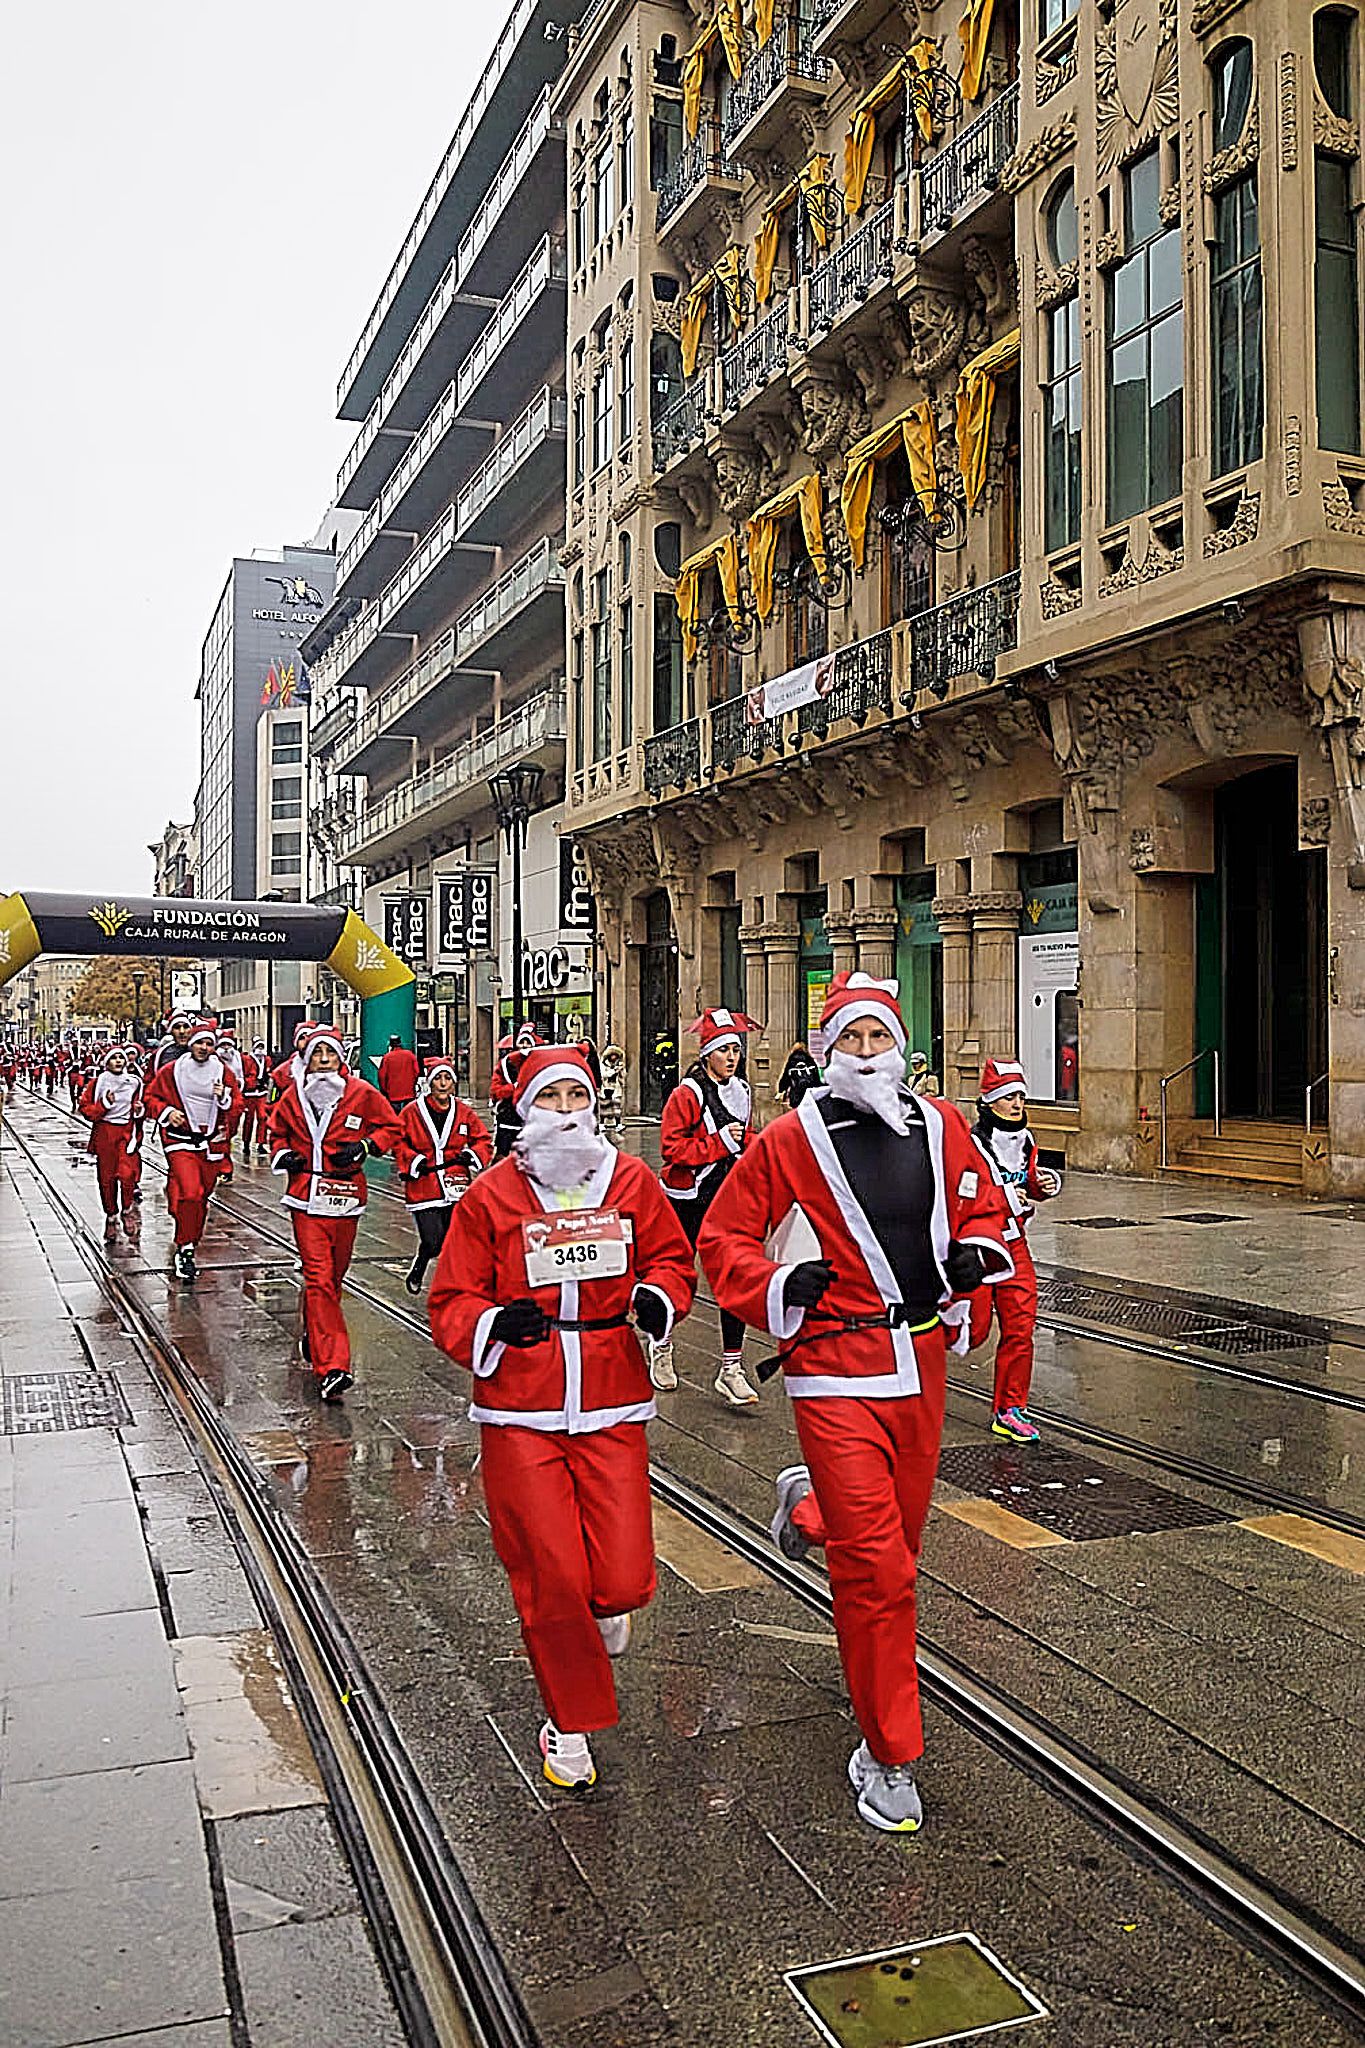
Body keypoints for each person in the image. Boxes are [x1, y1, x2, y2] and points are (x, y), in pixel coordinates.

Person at [698, 972, 1014, 1834]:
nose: (867, 1055)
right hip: (832, 1362)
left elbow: (981, 1206)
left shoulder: (943, 1124)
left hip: (918, 1361)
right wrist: (776, 1284)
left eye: (879, 1038)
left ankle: (810, 1507)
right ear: (828, 1050)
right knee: (881, 1574)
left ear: (901, 1045)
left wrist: (976, 1259)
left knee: (894, 1546)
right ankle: (887, 1753)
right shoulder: (791, 1138)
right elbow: (721, 1236)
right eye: (851, 1041)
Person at [428, 1044, 695, 1791]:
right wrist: (491, 1324)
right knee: (549, 1571)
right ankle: (568, 1723)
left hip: (611, 1391)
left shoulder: (630, 1181)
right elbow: (450, 1299)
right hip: (520, 1405)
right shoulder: (491, 1196)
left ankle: (604, 1610)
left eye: (578, 1097)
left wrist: (656, 1300)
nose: (567, 1113)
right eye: (552, 1100)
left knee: (622, 1574)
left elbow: (673, 1262)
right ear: (525, 1110)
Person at [268, 1025, 402, 1402]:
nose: (323, 1062)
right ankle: (335, 1366)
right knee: (319, 1278)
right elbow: (274, 1131)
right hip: (305, 1198)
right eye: (316, 1056)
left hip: (345, 1197)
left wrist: (365, 1146)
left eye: (329, 1055)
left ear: (340, 1060)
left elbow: (392, 1126)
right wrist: (284, 1155)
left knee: (334, 1279)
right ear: (306, 1061)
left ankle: (317, 1329)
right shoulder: (293, 1097)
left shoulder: (361, 1093)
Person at [657, 1007, 761, 1406]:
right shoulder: (687, 1094)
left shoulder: (744, 1091)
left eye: (737, 1049)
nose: (733, 1057)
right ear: (707, 1055)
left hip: (726, 1196)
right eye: (725, 1050)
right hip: (686, 1199)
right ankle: (662, 1346)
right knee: (677, 1276)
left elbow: (745, 1139)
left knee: (732, 1280)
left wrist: (749, 1146)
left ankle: (731, 1368)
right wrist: (719, 1142)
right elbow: (671, 1150)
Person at [967, 1057, 1062, 1443]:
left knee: (1021, 1328)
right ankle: (907, 1375)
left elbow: (1027, 1183)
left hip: (1015, 1246)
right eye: (1008, 1097)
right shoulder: (969, 1145)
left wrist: (1043, 1185)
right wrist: (1004, 1195)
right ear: (989, 1102)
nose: (1017, 1104)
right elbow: (961, 1194)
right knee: (972, 1332)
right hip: (976, 1249)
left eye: (1021, 1096)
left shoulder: (1026, 1140)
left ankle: (1009, 1409)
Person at [143, 1022, 243, 1282]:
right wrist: (166, 1112)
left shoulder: (222, 1071)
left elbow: (236, 1105)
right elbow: (151, 1097)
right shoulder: (172, 1070)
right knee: (191, 1192)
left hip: (209, 1143)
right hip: (179, 1141)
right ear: (191, 1043)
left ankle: (191, 1239)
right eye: (200, 1042)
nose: (204, 1048)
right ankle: (185, 1248)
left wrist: (225, 1099)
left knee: (202, 1196)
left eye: (209, 1044)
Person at [395, 1057, 493, 1294]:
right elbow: (397, 1141)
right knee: (433, 1239)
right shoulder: (412, 1112)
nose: (442, 1084)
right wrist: (413, 1160)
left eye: (447, 1078)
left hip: (456, 1185)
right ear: (430, 1083)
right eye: (437, 1078)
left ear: (453, 1083)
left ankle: (453, 1286)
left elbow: (483, 1140)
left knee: (455, 1241)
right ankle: (419, 1266)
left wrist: (471, 1155)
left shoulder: (464, 1112)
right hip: (424, 1185)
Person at [78, 1045, 144, 1237]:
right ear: (107, 1062)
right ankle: (111, 1214)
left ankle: (126, 1209)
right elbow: (86, 1109)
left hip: (125, 1133)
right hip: (106, 1133)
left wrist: (139, 1111)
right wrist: (104, 1104)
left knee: (127, 1174)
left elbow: (139, 1107)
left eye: (121, 1058)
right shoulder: (98, 1083)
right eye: (114, 1058)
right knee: (106, 1178)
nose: (118, 1061)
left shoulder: (134, 1082)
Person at [489, 1023, 543, 1158]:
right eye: (522, 1042)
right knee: (503, 1160)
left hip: (534, 1121)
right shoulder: (505, 1065)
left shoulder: (541, 1065)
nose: (524, 1046)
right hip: (508, 1121)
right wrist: (514, 1088)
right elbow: (495, 1091)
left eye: (528, 1043)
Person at [239, 1039, 269, 1160]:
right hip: (249, 1093)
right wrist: (251, 1082)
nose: (260, 1049)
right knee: (249, 1119)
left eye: (262, 1046)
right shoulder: (247, 1059)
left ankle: (261, 1143)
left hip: (261, 1092)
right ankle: (246, 1143)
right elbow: (243, 1075)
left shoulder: (266, 1060)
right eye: (259, 1046)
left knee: (263, 1117)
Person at [377, 1033, 421, 1112]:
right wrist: (412, 1084)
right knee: (409, 1115)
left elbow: (382, 1076)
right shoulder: (410, 1055)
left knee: (395, 1117)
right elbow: (417, 1072)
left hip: (393, 1094)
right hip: (409, 1092)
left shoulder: (387, 1058)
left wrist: (385, 1090)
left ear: (390, 1045)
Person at [777, 1042, 821, 1110]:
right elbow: (816, 1078)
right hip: (809, 1094)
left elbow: (786, 1078)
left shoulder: (792, 1061)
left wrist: (781, 1090)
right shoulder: (810, 1060)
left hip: (796, 1094)